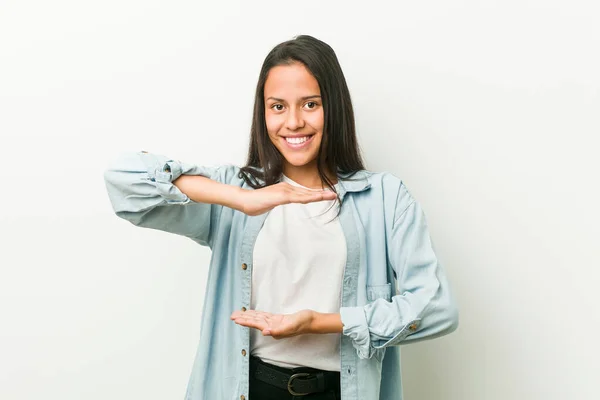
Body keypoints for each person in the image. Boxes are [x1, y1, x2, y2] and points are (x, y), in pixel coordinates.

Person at [104, 34, 459, 400]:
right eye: (277, 107)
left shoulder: (385, 198)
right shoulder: (233, 192)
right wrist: (243, 199)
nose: (293, 122)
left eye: (310, 104)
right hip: (250, 389)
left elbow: (436, 308)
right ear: (263, 113)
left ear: (333, 107)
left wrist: (322, 323)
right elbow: (124, 181)